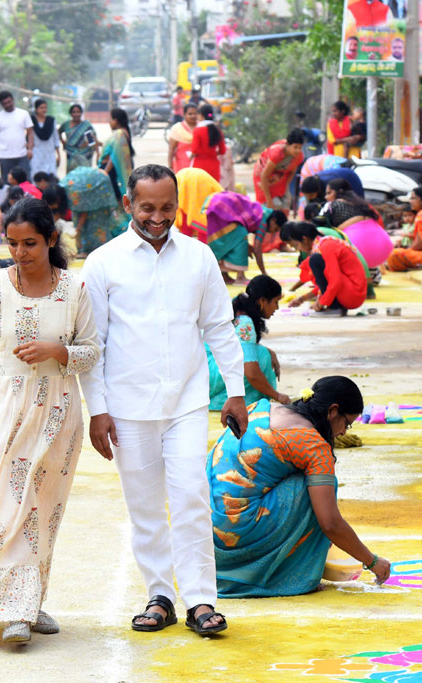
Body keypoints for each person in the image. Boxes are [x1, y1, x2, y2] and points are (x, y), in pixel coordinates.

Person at [81, 165, 247, 636]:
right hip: (127, 408)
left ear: (179, 205)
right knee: (145, 506)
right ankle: (160, 596)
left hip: (187, 403)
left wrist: (234, 392)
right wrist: (98, 409)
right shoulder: (104, 263)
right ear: (128, 206)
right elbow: (95, 344)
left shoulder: (199, 257)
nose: (158, 217)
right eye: (147, 207)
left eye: (167, 207)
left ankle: (200, 601)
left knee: (192, 497)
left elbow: (219, 326)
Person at [0, 197, 100, 643]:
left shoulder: (74, 290)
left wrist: (57, 351)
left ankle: (24, 605)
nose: (20, 252)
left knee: (38, 511)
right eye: (12, 243)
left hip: (56, 413)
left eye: (30, 243)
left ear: (51, 239)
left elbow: (91, 350)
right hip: (0, 410)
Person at [209, 377, 391, 597]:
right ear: (333, 411)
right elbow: (331, 524)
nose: (344, 432)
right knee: (320, 488)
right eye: (347, 423)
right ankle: (286, 575)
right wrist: (372, 562)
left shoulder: (261, 406)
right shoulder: (312, 445)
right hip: (233, 540)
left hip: (204, 531)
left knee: (311, 480)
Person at [206, 275, 289, 410]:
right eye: (275, 302)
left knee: (260, 352)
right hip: (210, 373)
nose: (277, 308)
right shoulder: (245, 322)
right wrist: (277, 396)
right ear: (262, 301)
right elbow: (251, 373)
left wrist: (270, 351)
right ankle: (229, 399)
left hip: (204, 366)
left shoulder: (238, 306)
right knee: (260, 356)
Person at [281, 221, 368, 315]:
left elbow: (336, 281)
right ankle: (335, 306)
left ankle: (334, 307)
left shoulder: (326, 247)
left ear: (305, 239)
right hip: (354, 294)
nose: (299, 249)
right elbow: (325, 284)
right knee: (315, 259)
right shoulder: (324, 243)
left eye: (297, 245)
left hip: (353, 295)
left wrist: (322, 303)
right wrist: (302, 299)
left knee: (315, 260)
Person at [203, 192, 287, 281]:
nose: (271, 232)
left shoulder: (260, 211)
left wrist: (249, 247)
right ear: (273, 220)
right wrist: (264, 272)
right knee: (241, 235)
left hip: (214, 203)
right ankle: (240, 276)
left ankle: (224, 274)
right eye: (275, 229)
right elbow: (258, 248)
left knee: (229, 242)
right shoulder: (263, 220)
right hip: (221, 206)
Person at [318, 184, 393, 269]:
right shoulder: (363, 205)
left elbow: (320, 226)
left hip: (354, 252)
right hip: (383, 251)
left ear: (339, 192)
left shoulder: (332, 205)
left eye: (329, 193)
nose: (326, 197)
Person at [65, 165, 125, 255]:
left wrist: (77, 229)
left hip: (98, 201)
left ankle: (87, 250)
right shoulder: (73, 188)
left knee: (95, 229)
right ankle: (88, 249)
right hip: (99, 197)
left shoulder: (77, 193)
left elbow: (83, 211)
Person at [253, 129, 306, 208]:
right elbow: (264, 176)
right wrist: (269, 200)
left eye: (300, 148)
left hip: (280, 176)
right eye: (295, 147)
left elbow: (292, 172)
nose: (298, 150)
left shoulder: (299, 156)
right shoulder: (276, 153)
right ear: (287, 145)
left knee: (286, 202)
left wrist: (285, 187)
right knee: (269, 206)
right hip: (263, 175)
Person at [0, 90, 34, 182]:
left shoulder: (23, 114)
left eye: (9, 102)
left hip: (22, 155)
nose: (7, 105)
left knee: (26, 182)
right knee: (8, 184)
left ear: (13, 100)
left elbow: (30, 132)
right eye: (4, 103)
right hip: (5, 156)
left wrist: (30, 149)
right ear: (1, 104)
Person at [175, 166, 223, 242]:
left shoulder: (220, 197)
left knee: (186, 208)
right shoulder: (222, 201)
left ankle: (185, 244)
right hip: (191, 180)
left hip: (186, 178)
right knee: (201, 217)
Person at [99, 108, 134, 200]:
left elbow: (114, 155)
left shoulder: (120, 133)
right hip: (109, 169)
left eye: (110, 119)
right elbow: (113, 148)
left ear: (116, 120)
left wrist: (105, 172)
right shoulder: (122, 132)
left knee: (113, 197)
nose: (109, 122)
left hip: (109, 169)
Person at [384, 186, 422, 271]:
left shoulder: (420, 215)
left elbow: (418, 245)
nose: (410, 201)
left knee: (395, 254)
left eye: (413, 198)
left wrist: (405, 251)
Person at [187, 103, 226, 182]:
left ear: (201, 115)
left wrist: (190, 156)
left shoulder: (198, 130)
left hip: (200, 165)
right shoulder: (217, 130)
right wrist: (212, 153)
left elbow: (195, 150)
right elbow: (223, 151)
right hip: (214, 165)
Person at [59, 103, 98, 172]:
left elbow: (91, 140)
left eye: (78, 112)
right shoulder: (66, 125)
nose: (76, 114)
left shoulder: (86, 125)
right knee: (72, 177)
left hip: (84, 154)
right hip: (71, 154)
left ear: (81, 113)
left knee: (85, 176)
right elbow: (58, 132)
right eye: (74, 112)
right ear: (70, 114)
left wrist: (90, 145)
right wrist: (63, 142)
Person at [29, 99, 61, 176]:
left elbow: (55, 137)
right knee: (36, 175)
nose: (44, 110)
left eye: (45, 107)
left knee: (50, 176)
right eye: (41, 108)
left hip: (49, 153)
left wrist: (58, 154)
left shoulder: (51, 120)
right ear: (36, 109)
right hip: (36, 153)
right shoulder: (31, 120)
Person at [166, 103, 200, 172]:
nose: (193, 116)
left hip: (200, 166)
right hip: (182, 166)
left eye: (195, 113)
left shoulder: (202, 127)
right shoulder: (177, 128)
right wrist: (170, 167)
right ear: (184, 115)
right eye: (190, 114)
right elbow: (171, 150)